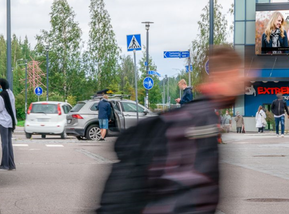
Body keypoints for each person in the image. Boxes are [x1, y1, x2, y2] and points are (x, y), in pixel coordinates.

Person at [98, 45, 245, 213]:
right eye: (238, 74)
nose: (242, 81)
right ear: (222, 77)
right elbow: (186, 195)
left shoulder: (202, 120)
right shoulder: (198, 123)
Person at [0, 78, 17, 170]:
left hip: (3, 121)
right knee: (9, 143)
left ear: (1, 85)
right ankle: (11, 164)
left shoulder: (1, 95)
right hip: (10, 120)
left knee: (4, 143)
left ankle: (5, 165)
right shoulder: (10, 93)